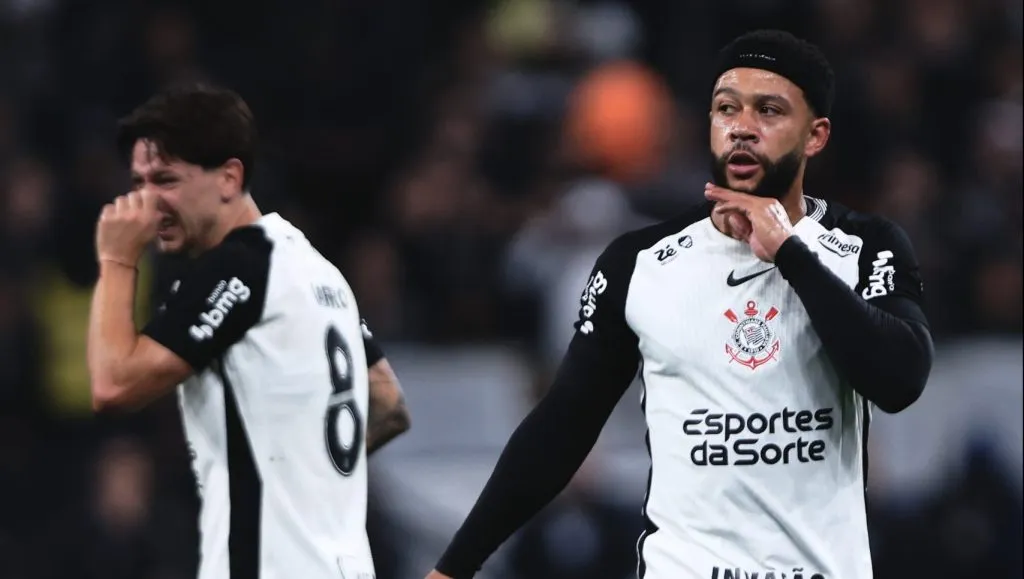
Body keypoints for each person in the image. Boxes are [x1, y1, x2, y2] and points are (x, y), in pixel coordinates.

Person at [426, 29, 933, 579]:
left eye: (768, 111)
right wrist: (453, 568)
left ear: (815, 136)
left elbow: (899, 380)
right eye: (727, 109)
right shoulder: (638, 263)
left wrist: (791, 254)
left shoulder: (867, 246)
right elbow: (560, 427)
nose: (742, 127)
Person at [86, 82, 411, 579]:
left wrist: (117, 259)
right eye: (138, 182)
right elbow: (387, 402)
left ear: (228, 178)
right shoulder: (316, 269)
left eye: (166, 180)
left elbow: (114, 384)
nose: (147, 203)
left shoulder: (238, 266)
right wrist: (301, 480)